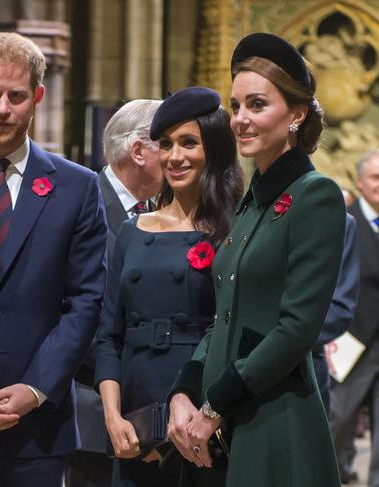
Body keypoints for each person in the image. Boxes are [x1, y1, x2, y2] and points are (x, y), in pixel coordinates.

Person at [167, 32, 346, 487]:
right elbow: (222, 315)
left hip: (273, 420)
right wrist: (184, 392)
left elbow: (296, 329)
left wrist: (214, 406)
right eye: (235, 105)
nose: (240, 119)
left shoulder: (315, 196)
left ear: (297, 114)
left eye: (257, 105)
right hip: (219, 422)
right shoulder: (251, 203)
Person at [0, 32, 107, 486]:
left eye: (16, 96)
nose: (3, 109)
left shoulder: (77, 187)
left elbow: (86, 300)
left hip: (39, 424)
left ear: (37, 97)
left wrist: (36, 388)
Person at [95, 87, 243, 487]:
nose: (175, 156)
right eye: (166, 144)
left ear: (213, 148)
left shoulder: (237, 231)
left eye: (188, 143)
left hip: (203, 418)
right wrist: (112, 417)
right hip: (133, 423)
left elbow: (235, 335)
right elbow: (109, 335)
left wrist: (206, 415)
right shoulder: (132, 230)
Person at [66, 99, 163, 487]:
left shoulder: (167, 212)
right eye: (168, 144)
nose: (178, 157)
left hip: (154, 409)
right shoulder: (79, 204)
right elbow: (70, 311)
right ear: (139, 151)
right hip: (91, 405)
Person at [330, 149, 379, 487]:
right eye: (376, 178)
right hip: (352, 337)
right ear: (360, 182)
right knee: (338, 418)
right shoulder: (344, 221)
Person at [312, 211, 358, 415]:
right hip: (245, 365)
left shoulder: (340, 221)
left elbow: (340, 307)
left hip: (307, 362)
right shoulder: (249, 213)